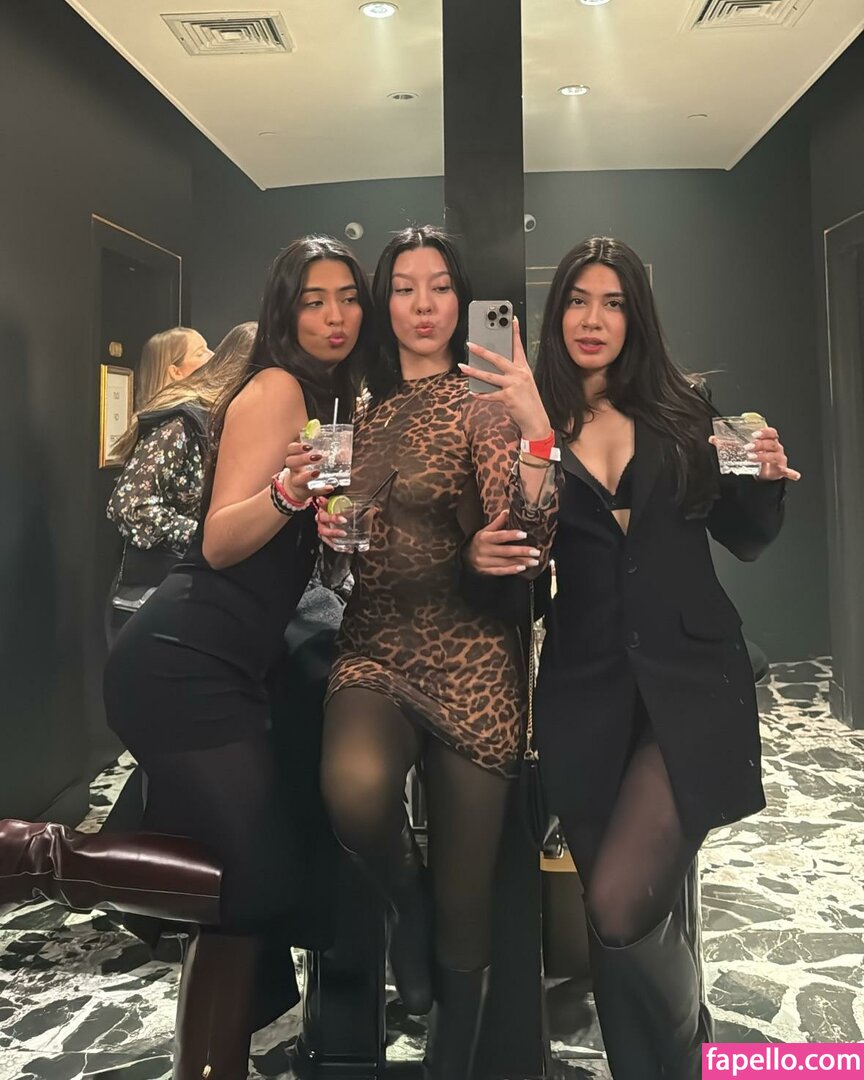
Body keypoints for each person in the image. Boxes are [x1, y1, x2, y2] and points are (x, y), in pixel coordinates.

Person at [0, 235, 373, 1080]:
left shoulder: (328, 398)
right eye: (313, 300)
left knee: (249, 881)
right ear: (284, 311)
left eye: (348, 297)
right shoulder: (277, 389)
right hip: (181, 663)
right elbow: (218, 539)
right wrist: (289, 492)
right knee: (261, 878)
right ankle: (40, 854)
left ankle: (214, 1057)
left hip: (228, 666)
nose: (335, 316)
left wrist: (332, 527)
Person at [462, 236, 800, 1080]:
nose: (594, 319)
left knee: (617, 905)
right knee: (620, 922)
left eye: (613, 303)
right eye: (579, 300)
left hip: (694, 682)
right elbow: (524, 562)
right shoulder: (527, 420)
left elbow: (745, 537)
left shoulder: (687, 407)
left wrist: (763, 480)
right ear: (556, 314)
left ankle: (687, 1051)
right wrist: (534, 442)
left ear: (635, 315)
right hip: (585, 690)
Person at [315, 225, 558, 1080]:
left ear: (462, 300)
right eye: (405, 287)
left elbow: (530, 532)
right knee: (355, 791)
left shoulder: (486, 401)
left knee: (466, 907)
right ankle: (401, 908)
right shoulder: (363, 411)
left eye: (440, 286)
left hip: (473, 663)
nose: (424, 305)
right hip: (375, 644)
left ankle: (446, 1066)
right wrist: (328, 531)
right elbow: (349, 540)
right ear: (384, 303)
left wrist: (533, 445)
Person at [105, 322, 257, 644]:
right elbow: (129, 505)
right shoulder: (182, 424)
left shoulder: (219, 425)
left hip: (191, 600)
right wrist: (206, 536)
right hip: (155, 605)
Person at [133, 326, 212, 411]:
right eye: (200, 354)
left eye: (207, 348)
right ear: (175, 372)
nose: (212, 355)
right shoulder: (186, 414)